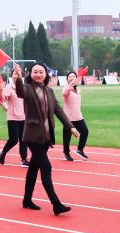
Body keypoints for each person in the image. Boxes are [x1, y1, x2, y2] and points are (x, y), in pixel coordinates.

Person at [12, 63, 78, 215]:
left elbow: (58, 110)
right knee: (46, 167)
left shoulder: (49, 90)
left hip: (46, 135)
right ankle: (56, 204)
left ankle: (27, 200)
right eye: (35, 72)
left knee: (33, 169)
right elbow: (20, 92)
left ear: (46, 74)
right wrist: (18, 77)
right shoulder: (27, 88)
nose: (38, 74)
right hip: (32, 135)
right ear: (30, 74)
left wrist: (70, 126)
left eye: (41, 72)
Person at [0, 76, 28, 167]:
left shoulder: (25, 87)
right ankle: (3, 152)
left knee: (23, 139)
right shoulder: (9, 87)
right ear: (12, 76)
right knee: (14, 139)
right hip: (12, 117)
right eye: (14, 73)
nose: (16, 75)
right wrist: (0, 91)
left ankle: (24, 159)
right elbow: (3, 99)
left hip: (23, 117)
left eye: (18, 73)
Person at [61, 71, 90, 161]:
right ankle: (66, 153)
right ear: (67, 79)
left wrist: (79, 77)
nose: (72, 78)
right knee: (67, 136)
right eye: (70, 77)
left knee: (85, 131)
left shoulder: (77, 90)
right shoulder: (66, 88)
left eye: (74, 76)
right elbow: (65, 93)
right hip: (68, 117)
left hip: (78, 116)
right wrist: (73, 82)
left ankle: (80, 149)